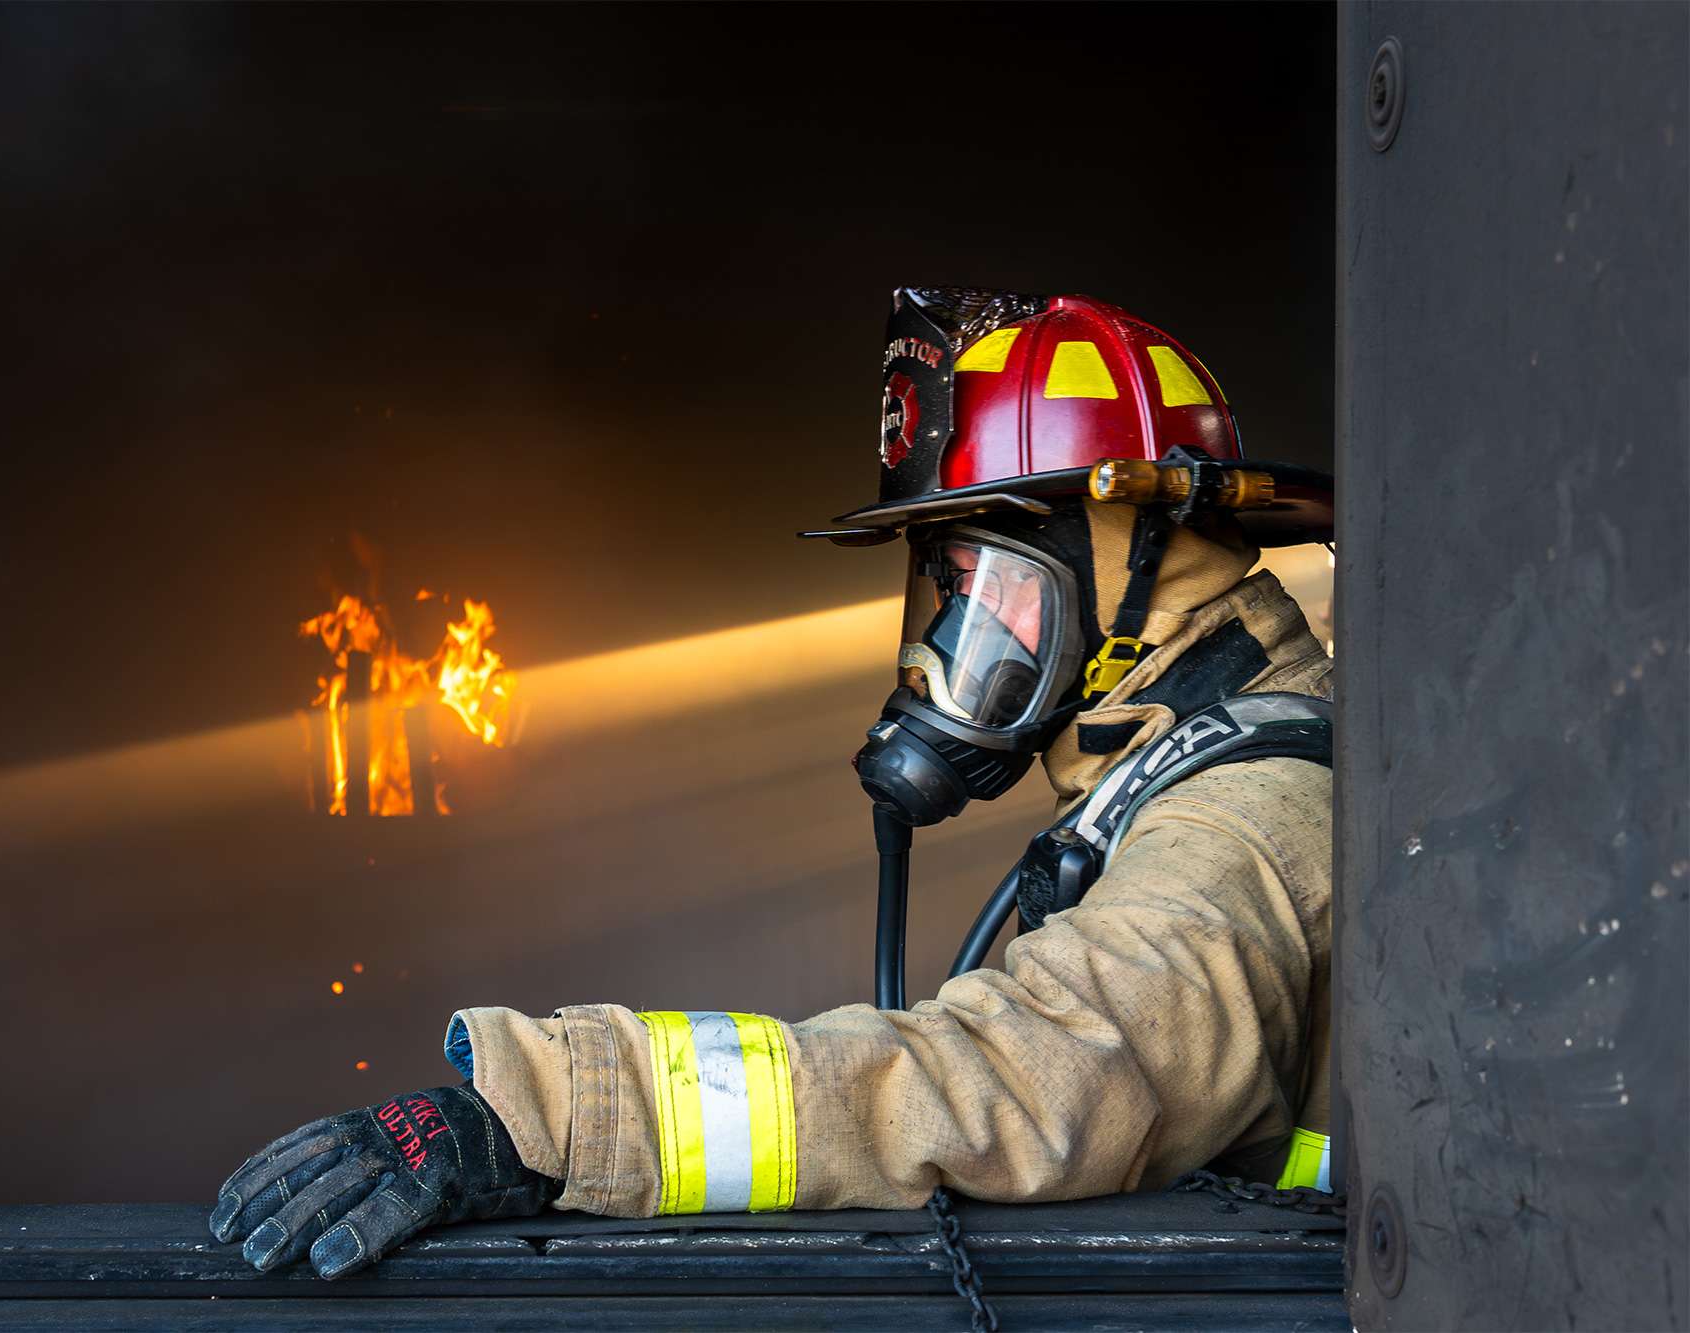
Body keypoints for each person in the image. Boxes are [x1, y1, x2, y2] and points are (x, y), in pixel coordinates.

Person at [209, 289, 1337, 1280]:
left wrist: (548, 1112)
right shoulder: (1175, 764)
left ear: (1132, 563)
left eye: (976, 581)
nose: (949, 636)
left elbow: (1045, 1081)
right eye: (937, 592)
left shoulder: (1242, 813)